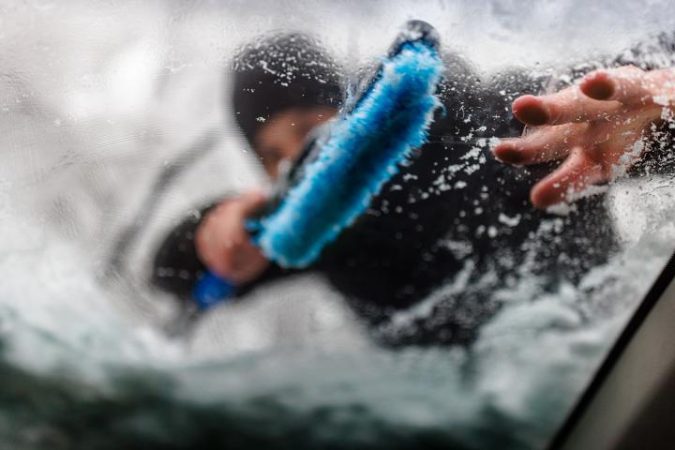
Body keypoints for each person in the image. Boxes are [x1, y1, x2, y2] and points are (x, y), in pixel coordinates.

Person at [152, 26, 675, 347]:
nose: (298, 161)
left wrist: (660, 116)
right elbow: (169, 274)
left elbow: (604, 95)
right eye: (271, 156)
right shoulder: (311, 238)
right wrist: (215, 228)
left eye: (313, 130)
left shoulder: (496, 129)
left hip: (610, 363)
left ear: (358, 109)